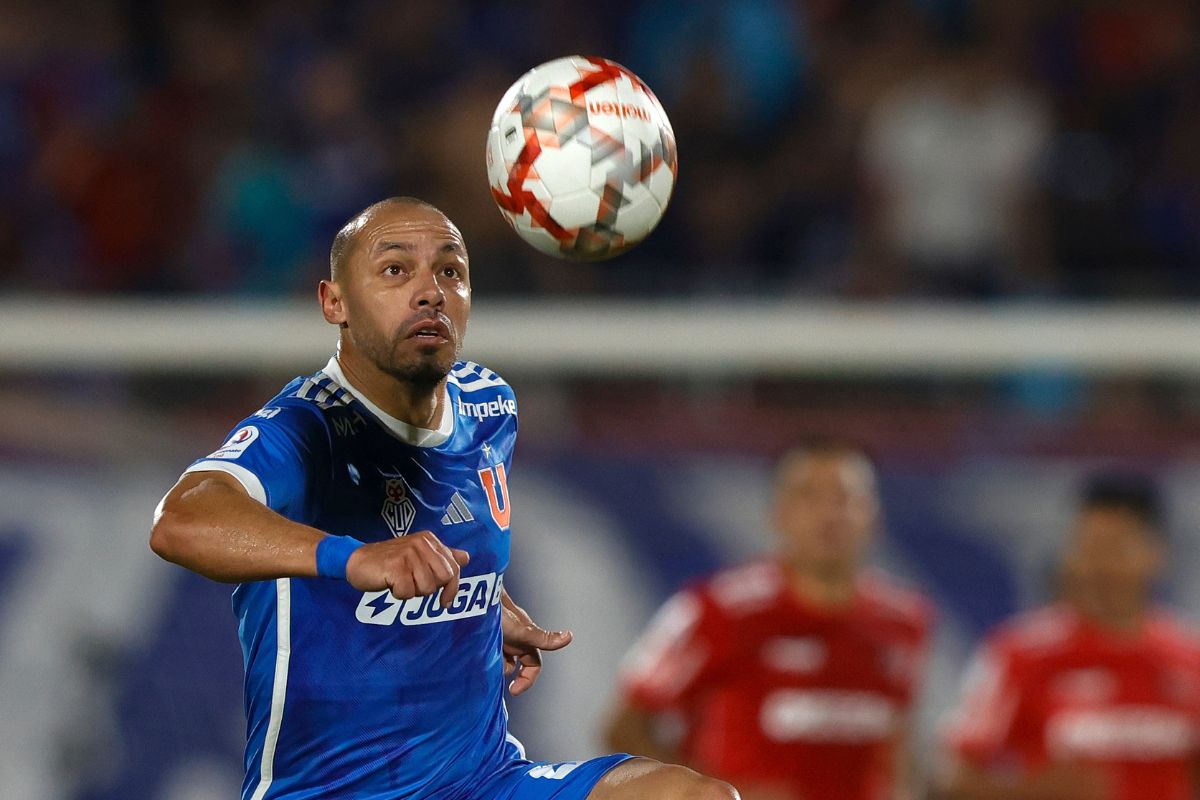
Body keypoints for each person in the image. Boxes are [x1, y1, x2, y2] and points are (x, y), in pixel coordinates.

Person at [150, 197, 737, 800]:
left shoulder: (489, 405)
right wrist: (353, 557)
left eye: (450, 271)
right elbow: (180, 519)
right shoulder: (307, 428)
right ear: (335, 303)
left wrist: (485, 606)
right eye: (395, 270)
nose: (430, 292)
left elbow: (444, 541)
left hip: (484, 781)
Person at [605, 442, 934, 800]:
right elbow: (625, 729)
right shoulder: (716, 610)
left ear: (874, 515)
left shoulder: (903, 619)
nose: (829, 514)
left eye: (844, 497)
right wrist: (706, 793)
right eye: (809, 496)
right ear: (778, 513)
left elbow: (898, 741)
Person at [938, 474, 1200, 800]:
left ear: (1158, 554)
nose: (1100, 565)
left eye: (1116, 549)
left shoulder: (1190, 658)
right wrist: (1038, 790)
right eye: (1088, 548)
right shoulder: (1020, 654)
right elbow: (953, 780)